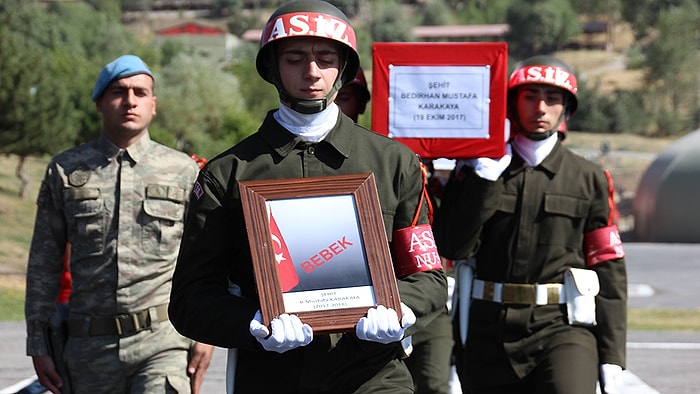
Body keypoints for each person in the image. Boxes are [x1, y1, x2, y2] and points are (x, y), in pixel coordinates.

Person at [168, 1, 447, 393]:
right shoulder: (228, 173)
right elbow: (190, 300)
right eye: (295, 58)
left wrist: (400, 307)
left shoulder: (394, 163)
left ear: (344, 68)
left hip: (373, 376)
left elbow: (430, 277)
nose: (312, 72)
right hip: (272, 375)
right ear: (273, 68)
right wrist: (253, 323)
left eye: (325, 58)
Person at [433, 55, 628, 394]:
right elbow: (452, 247)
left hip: (562, 327)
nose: (540, 107)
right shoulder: (478, 170)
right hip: (486, 328)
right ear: (512, 103)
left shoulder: (590, 179)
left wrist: (612, 354)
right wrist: (483, 181)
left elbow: (608, 268)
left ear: (566, 108)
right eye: (530, 96)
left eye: (552, 98)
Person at [24, 54, 213, 394]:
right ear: (98, 103)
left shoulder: (183, 170)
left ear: (153, 105)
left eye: (140, 93)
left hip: (162, 342)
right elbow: (44, 262)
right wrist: (38, 342)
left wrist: (205, 334)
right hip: (89, 347)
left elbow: (205, 258)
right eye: (118, 92)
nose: (130, 100)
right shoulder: (65, 171)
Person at [335, 67, 455, 394]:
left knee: (432, 384)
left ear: (361, 105)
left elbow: (454, 242)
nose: (334, 103)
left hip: (419, 298)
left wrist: (471, 180)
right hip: (354, 317)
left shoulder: (395, 162)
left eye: (344, 97)